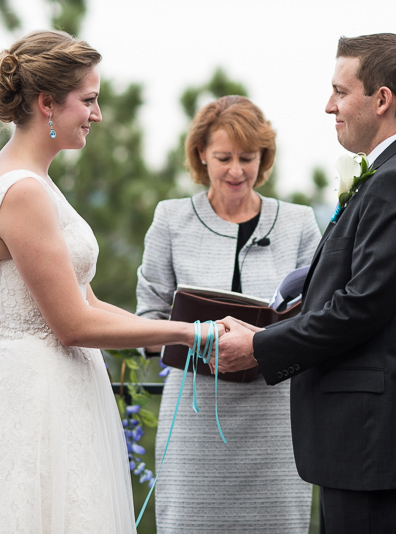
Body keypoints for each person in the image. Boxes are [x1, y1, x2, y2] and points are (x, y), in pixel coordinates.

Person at [0, 30, 217, 534]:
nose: (97, 114)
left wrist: (187, 328)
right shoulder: (22, 191)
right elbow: (71, 324)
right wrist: (189, 335)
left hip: (59, 390)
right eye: (88, 100)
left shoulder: (34, 181)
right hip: (37, 400)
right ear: (46, 104)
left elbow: (87, 299)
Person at [217, 34, 396, 533]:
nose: (329, 106)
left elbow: (359, 310)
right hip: (374, 446)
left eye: (340, 91)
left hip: (373, 445)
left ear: (382, 99)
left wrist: (261, 345)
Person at [136, 95, 320, 533]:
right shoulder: (171, 219)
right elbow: (147, 322)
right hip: (193, 427)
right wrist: (194, 337)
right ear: (201, 154)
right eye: (223, 157)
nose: (236, 171)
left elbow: (318, 321)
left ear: (264, 157)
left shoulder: (299, 223)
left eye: (247, 157)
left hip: (274, 427)